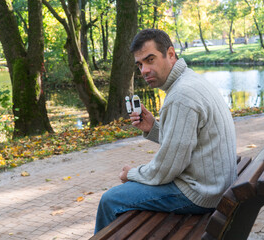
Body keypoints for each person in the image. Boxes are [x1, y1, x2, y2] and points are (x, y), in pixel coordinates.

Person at [94, 29, 237, 233]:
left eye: (150, 60)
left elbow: (167, 169)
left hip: (201, 193)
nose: (144, 70)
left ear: (170, 54)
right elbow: (186, 142)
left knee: (111, 200)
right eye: (140, 64)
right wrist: (153, 128)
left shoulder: (180, 96)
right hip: (217, 185)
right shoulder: (190, 80)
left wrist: (132, 174)